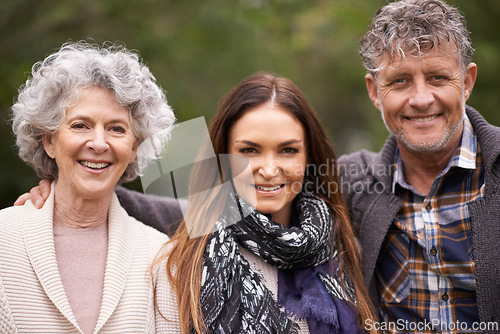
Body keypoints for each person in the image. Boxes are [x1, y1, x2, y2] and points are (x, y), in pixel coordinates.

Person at [16, 72, 377, 333]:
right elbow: (116, 197)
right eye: (248, 151)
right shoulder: (185, 254)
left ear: (310, 156)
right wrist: (58, 186)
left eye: (288, 150)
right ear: (221, 157)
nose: (269, 169)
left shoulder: (345, 247)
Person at [338, 0, 500, 332]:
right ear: (374, 91)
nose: (421, 99)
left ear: (467, 83)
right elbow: (221, 209)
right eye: (399, 81)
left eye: (438, 77)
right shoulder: (353, 181)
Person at [1, 41, 176, 333]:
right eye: (80, 125)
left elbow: (226, 219)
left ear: (134, 147)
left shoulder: (161, 256)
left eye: (116, 129)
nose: (98, 143)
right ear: (49, 140)